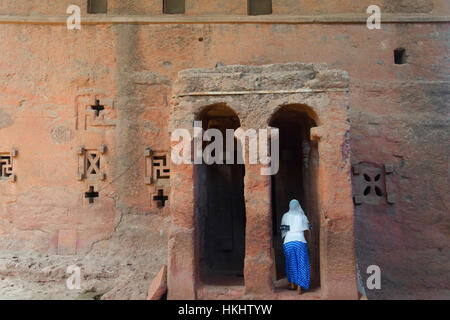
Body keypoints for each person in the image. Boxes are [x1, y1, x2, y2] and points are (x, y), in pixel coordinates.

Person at [280, 199, 310, 294]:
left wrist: (285, 241)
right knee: (302, 264)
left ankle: (292, 284)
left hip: (288, 242)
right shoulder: (303, 216)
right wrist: (306, 242)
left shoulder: (285, 216)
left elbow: (283, 230)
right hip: (300, 241)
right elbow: (307, 230)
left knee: (291, 263)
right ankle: (299, 286)